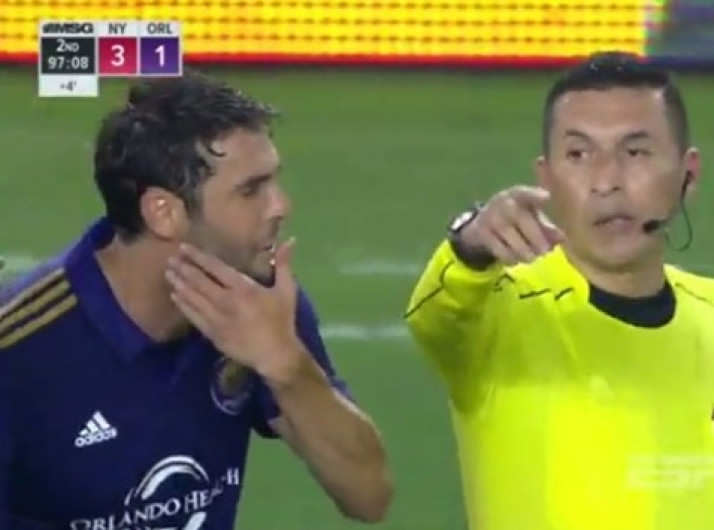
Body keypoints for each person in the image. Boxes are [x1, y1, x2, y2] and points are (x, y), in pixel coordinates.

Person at [0, 71, 392, 529]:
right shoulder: (20, 351)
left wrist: (286, 364)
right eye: (251, 190)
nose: (281, 206)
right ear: (163, 212)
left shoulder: (257, 303)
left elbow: (369, 495)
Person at [405, 51, 714, 530]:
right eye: (579, 155)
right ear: (545, 178)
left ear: (687, 175)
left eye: (634, 153)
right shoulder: (500, 314)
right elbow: (437, 314)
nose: (606, 182)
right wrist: (471, 243)